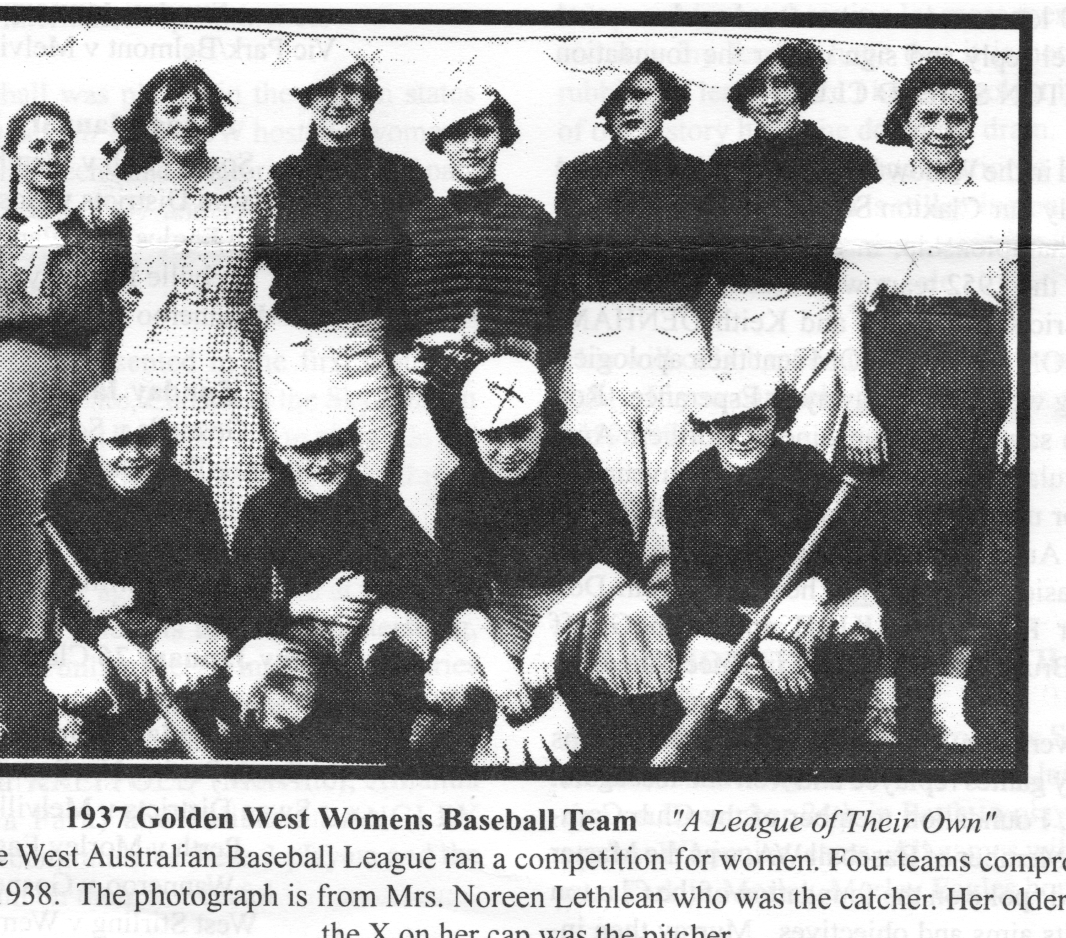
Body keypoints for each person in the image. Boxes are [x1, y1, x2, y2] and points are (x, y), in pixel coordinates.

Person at [834, 57, 1018, 745]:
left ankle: (949, 698)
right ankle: (883, 697)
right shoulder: (875, 201)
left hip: (972, 376)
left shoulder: (997, 204)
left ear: (972, 125)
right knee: (889, 538)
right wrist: (859, 405)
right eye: (929, 117)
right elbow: (849, 311)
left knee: (967, 540)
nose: (943, 130)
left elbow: (1016, 319)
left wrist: (1015, 410)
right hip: (895, 371)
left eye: (957, 117)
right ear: (906, 124)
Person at [0, 101, 130, 758]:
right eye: (36, 145)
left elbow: (123, 320)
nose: (49, 157)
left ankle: (75, 701)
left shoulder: (100, 236)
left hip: (83, 390)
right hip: (6, 394)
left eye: (61, 145)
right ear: (14, 154)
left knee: (78, 541)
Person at [420, 356, 675, 767]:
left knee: (631, 611)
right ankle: (494, 732)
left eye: (520, 432)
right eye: (491, 437)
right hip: (505, 611)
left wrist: (553, 623)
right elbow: (460, 596)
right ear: (472, 434)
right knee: (453, 674)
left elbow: (618, 552)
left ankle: (630, 747)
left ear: (543, 420)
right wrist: (495, 665)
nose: (506, 451)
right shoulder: (459, 488)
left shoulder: (572, 457)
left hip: (581, 603)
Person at [224, 382, 454, 762]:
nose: (325, 461)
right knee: (256, 663)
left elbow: (437, 576)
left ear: (355, 448)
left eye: (337, 446)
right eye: (308, 449)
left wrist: (367, 584)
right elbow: (239, 612)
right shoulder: (264, 509)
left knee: (392, 629)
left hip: (368, 631)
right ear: (283, 453)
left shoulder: (374, 499)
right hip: (307, 634)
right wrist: (304, 605)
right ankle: (286, 751)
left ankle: (396, 743)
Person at [554, 58, 711, 607]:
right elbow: (567, 265)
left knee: (679, 462)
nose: (628, 106)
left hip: (672, 328)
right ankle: (612, 602)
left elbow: (706, 263)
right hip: (599, 329)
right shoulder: (577, 175)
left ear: (665, 101)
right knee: (609, 466)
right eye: (616, 97)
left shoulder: (696, 174)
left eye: (641, 95)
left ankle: (672, 603)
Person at [666, 368, 897, 742]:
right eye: (727, 422)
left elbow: (862, 549)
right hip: (735, 620)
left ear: (777, 418)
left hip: (810, 605)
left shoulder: (806, 466)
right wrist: (763, 641)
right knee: (704, 694)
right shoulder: (687, 489)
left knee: (860, 622)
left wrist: (816, 589)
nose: (742, 436)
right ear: (706, 424)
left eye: (756, 421)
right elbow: (695, 594)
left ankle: (839, 732)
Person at [100, 62, 272, 538]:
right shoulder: (129, 194)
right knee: (156, 475)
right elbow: (101, 267)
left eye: (197, 110)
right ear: (150, 123)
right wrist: (123, 293)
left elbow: (290, 266)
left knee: (234, 477)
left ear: (214, 119)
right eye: (170, 111)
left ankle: (240, 603)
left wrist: (258, 322)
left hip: (227, 355)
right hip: (153, 354)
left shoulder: (254, 186)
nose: (185, 121)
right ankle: (158, 601)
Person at [397, 83, 567, 533]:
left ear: (502, 136)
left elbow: (561, 302)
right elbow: (395, 301)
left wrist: (536, 350)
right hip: (436, 383)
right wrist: (400, 354)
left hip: (514, 387)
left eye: (483, 132)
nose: (471, 146)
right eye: (458, 135)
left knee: (516, 501)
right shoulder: (418, 220)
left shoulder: (531, 217)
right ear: (441, 144)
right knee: (429, 502)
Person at [263, 47, 434, 484]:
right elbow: (234, 254)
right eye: (326, 89)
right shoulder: (280, 178)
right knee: (296, 484)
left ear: (371, 99)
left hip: (372, 356)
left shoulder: (404, 177)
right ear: (306, 98)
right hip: (292, 354)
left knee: (368, 486)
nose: (340, 102)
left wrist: (401, 346)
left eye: (353, 89)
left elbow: (420, 274)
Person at [41, 379, 235, 755]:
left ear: (164, 441)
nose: (132, 455)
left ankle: (177, 712)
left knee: (192, 655)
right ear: (93, 444)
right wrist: (111, 643)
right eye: (117, 442)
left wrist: (132, 596)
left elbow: (216, 594)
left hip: (173, 624)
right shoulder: (65, 497)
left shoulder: (190, 495)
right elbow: (67, 600)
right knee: (79, 684)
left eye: (145, 440)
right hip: (101, 631)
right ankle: (92, 711)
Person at [708, 41, 880, 459]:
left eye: (781, 83)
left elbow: (866, 262)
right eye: (756, 88)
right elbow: (708, 258)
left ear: (803, 89)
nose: (769, 98)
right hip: (741, 323)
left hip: (820, 324)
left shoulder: (849, 162)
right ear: (743, 98)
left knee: (808, 455)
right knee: (743, 450)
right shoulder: (725, 163)